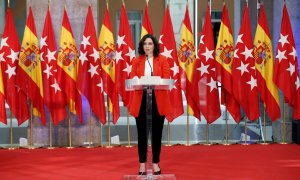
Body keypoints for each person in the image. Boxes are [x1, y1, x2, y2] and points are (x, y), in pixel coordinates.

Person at [129, 34, 172, 175]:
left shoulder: (163, 60)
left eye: (150, 43)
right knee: (142, 134)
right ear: (142, 46)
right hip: (141, 100)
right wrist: (136, 79)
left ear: (154, 46)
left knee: (156, 134)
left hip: (158, 100)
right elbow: (131, 77)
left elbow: (166, 77)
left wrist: (155, 80)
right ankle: (142, 164)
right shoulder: (137, 61)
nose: (147, 46)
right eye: (145, 44)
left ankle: (155, 164)